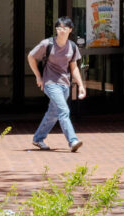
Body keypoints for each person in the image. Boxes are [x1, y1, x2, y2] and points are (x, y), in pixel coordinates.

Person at [28, 17, 86, 152]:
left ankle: (37, 138)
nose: (62, 31)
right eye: (59, 28)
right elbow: (31, 57)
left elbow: (74, 68)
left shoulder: (72, 46)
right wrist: (38, 76)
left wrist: (81, 85)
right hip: (50, 83)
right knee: (64, 111)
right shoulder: (47, 44)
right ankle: (73, 141)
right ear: (56, 29)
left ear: (70, 30)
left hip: (65, 85)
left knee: (53, 113)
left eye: (65, 28)